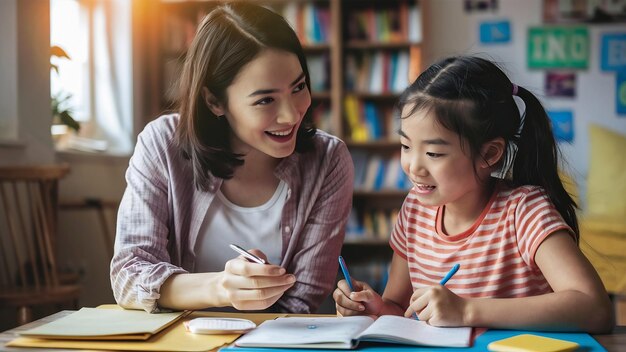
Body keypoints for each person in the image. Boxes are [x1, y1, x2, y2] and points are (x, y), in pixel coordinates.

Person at [333, 56, 614, 333]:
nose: (414, 167)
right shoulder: (414, 211)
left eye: (433, 153)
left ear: (489, 153)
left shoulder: (525, 211)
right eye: (406, 146)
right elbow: (401, 309)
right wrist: (377, 309)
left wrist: (467, 310)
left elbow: (595, 308)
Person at [111, 2, 353, 314]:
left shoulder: (328, 160)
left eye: (299, 87)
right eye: (266, 99)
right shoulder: (163, 144)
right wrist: (220, 288)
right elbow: (129, 275)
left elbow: (302, 300)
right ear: (214, 101)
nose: (292, 114)